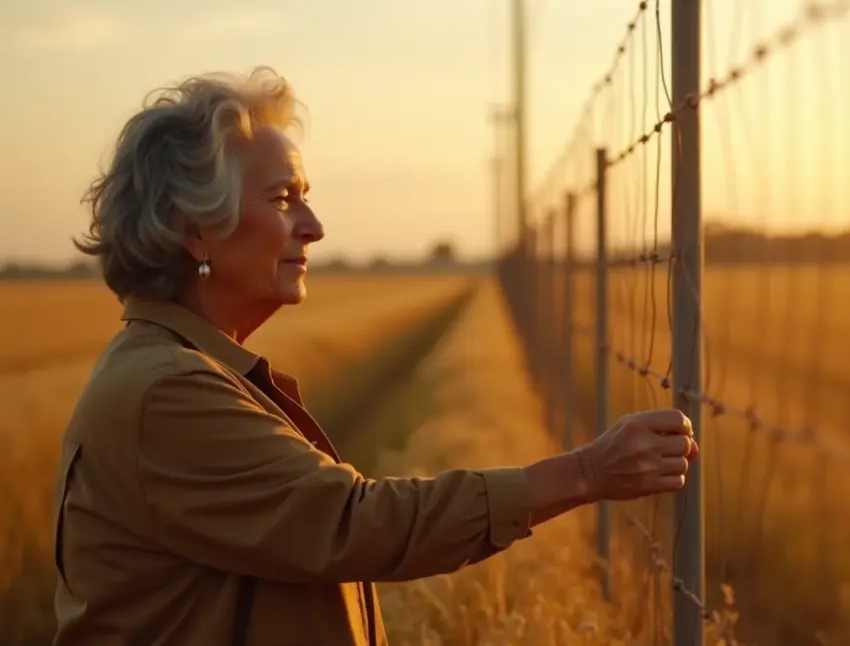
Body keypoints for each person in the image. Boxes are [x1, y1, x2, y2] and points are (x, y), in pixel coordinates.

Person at [51, 67, 698, 646]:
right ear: (195, 227)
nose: (314, 224)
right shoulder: (164, 392)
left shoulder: (181, 369)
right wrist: (585, 472)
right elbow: (351, 523)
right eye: (283, 199)